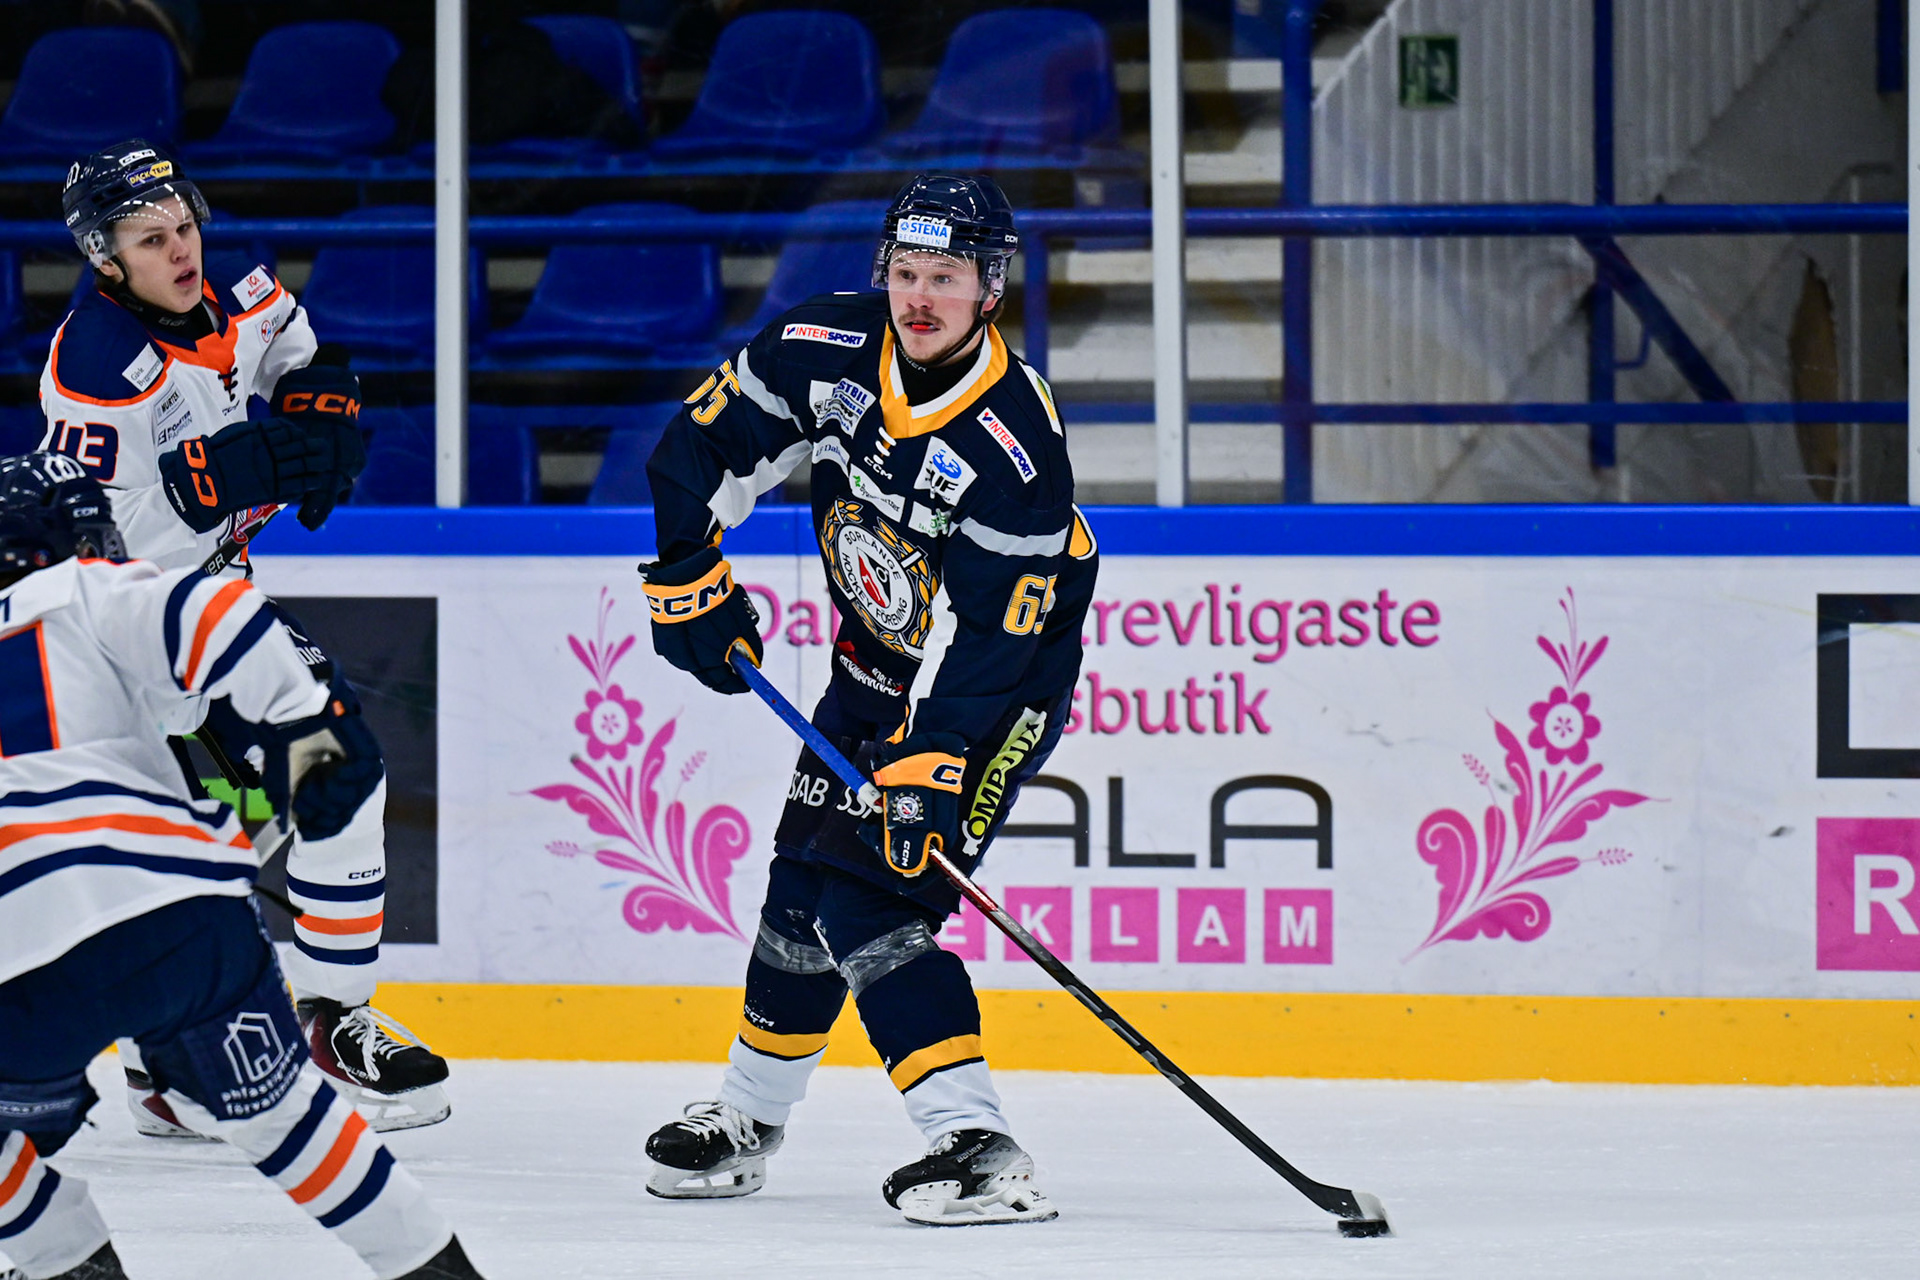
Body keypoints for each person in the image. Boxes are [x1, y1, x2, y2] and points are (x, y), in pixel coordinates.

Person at [638, 173, 1099, 1225]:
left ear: (989, 288)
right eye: (907, 272)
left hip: (993, 690)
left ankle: (976, 1142)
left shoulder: (1017, 444)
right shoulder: (822, 346)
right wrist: (687, 574)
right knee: (800, 884)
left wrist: (933, 763)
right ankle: (748, 1119)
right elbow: (698, 447)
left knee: (872, 900)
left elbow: (994, 638)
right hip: (875, 660)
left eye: (947, 277)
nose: (921, 297)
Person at [35, 140, 451, 1134]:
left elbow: (297, 352)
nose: (181, 250)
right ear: (105, 259)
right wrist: (218, 480)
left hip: (216, 607)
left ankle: (322, 1023)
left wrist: (319, 406)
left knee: (333, 771)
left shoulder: (241, 292)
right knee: (194, 837)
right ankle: (170, 1065)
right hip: (124, 637)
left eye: (183, 226)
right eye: (151, 239)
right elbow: (94, 550)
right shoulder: (94, 365)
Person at [0, 454, 483, 1280]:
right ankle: (435, 1269)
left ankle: (70, 1261)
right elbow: (220, 610)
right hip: (185, 918)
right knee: (293, 1126)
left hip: (21, 950)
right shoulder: (90, 590)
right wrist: (316, 734)